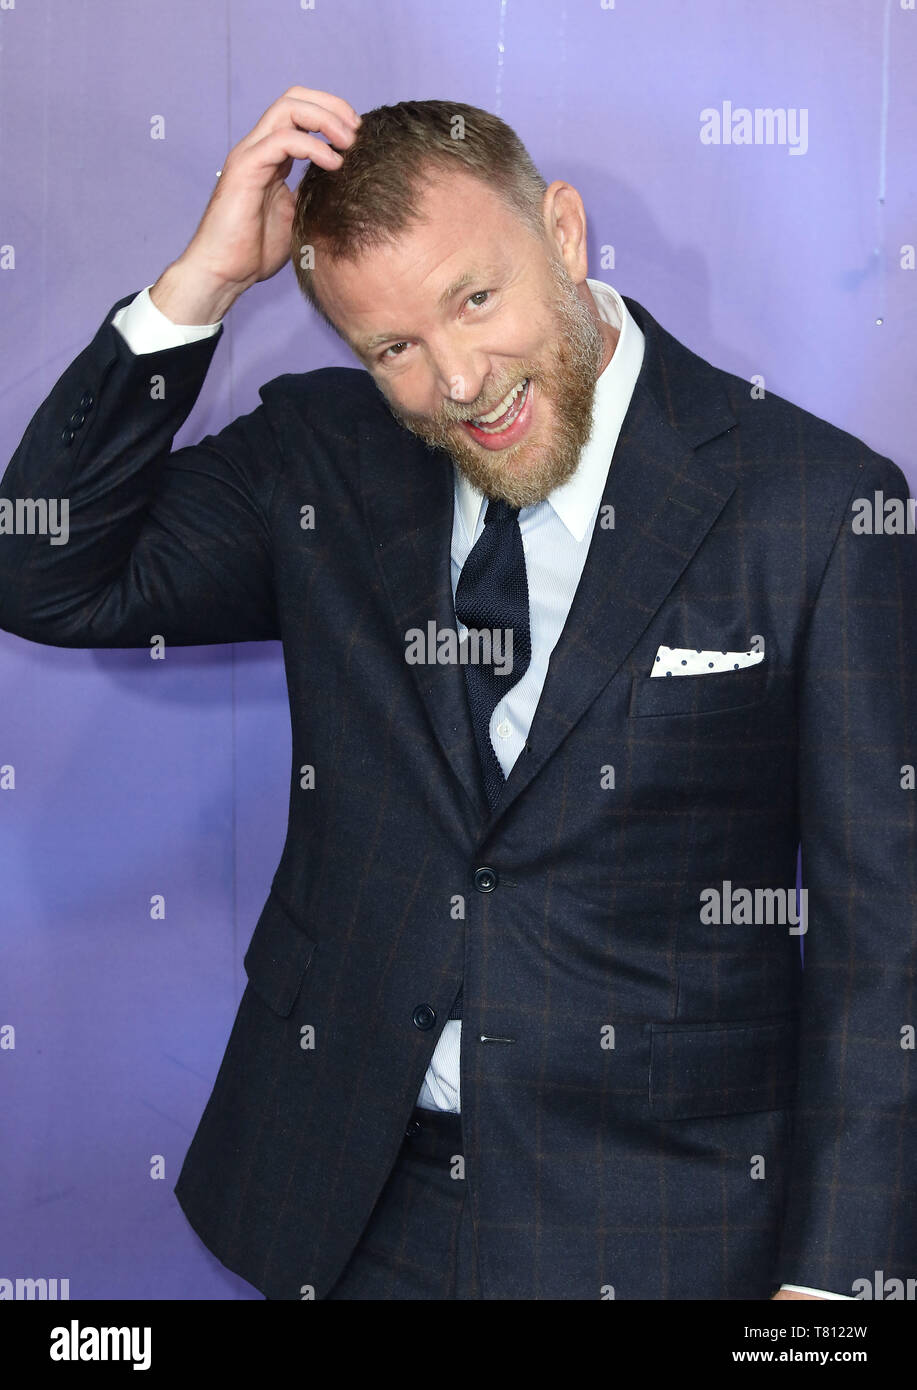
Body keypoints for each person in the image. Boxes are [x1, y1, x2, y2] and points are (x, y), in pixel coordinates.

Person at [1, 90, 914, 1300]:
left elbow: (882, 934)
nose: (460, 382)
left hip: (664, 1225)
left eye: (474, 300)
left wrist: (834, 1290)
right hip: (353, 1205)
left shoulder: (812, 502)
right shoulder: (321, 461)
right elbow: (47, 566)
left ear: (565, 235)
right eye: (392, 349)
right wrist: (205, 281)